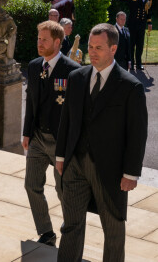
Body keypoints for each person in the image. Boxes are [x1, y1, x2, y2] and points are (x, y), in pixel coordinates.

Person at [55, 23, 147, 262]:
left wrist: (131, 173)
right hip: (75, 163)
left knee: (113, 228)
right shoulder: (76, 77)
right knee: (71, 224)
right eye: (90, 47)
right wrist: (61, 156)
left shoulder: (130, 86)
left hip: (110, 170)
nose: (92, 52)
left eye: (99, 48)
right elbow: (67, 120)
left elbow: (137, 134)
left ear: (113, 48)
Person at [22, 21, 80, 246]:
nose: (39, 43)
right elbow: (32, 102)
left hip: (60, 143)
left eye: (44, 40)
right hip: (37, 138)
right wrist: (26, 132)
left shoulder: (73, 71)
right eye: (38, 39)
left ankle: (71, 230)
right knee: (31, 185)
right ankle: (46, 231)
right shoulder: (35, 66)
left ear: (58, 42)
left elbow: (76, 114)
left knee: (63, 190)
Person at [120, 0, 152, 70]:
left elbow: (148, 11)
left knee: (140, 44)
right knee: (131, 44)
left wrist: (149, 22)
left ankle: (139, 64)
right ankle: (131, 63)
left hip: (142, 24)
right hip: (132, 24)